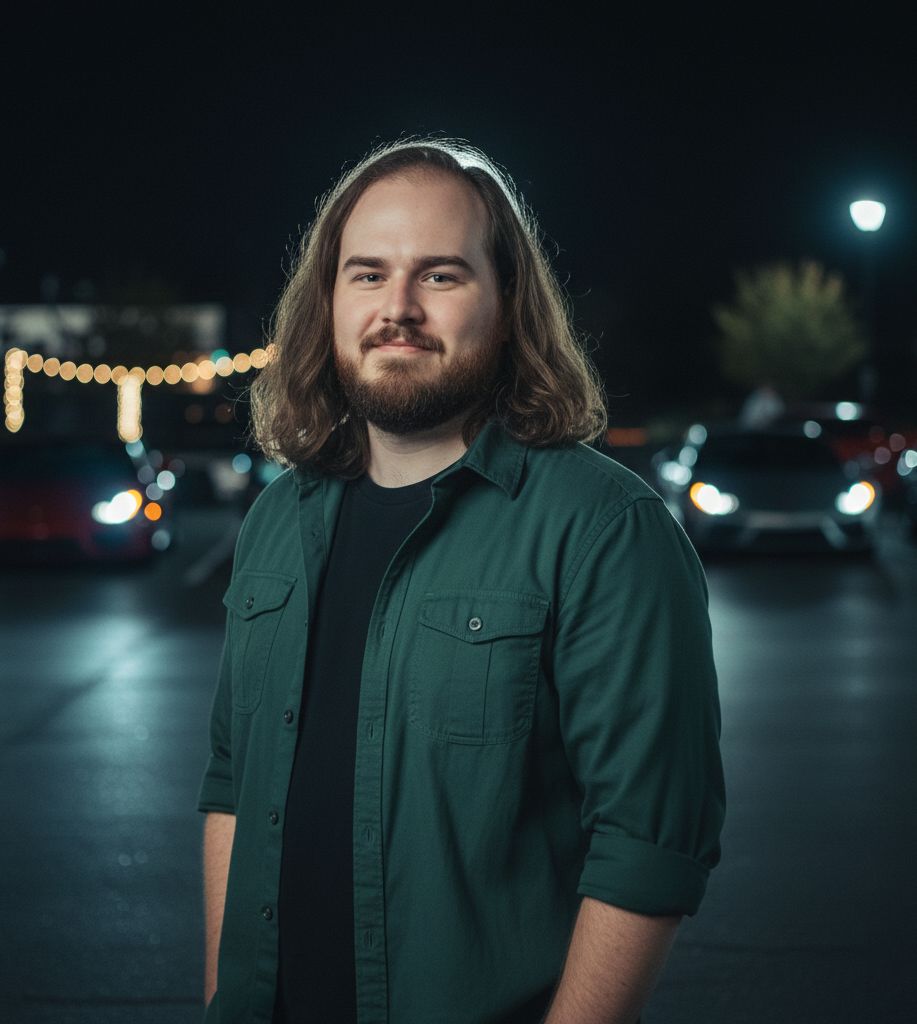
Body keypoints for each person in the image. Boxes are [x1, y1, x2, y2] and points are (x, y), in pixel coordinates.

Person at [198, 139, 725, 1024]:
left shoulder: (605, 530)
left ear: (509, 302)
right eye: (367, 275)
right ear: (327, 301)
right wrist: (222, 1001)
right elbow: (230, 783)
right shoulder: (276, 520)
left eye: (440, 276)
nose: (396, 308)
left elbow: (649, 847)